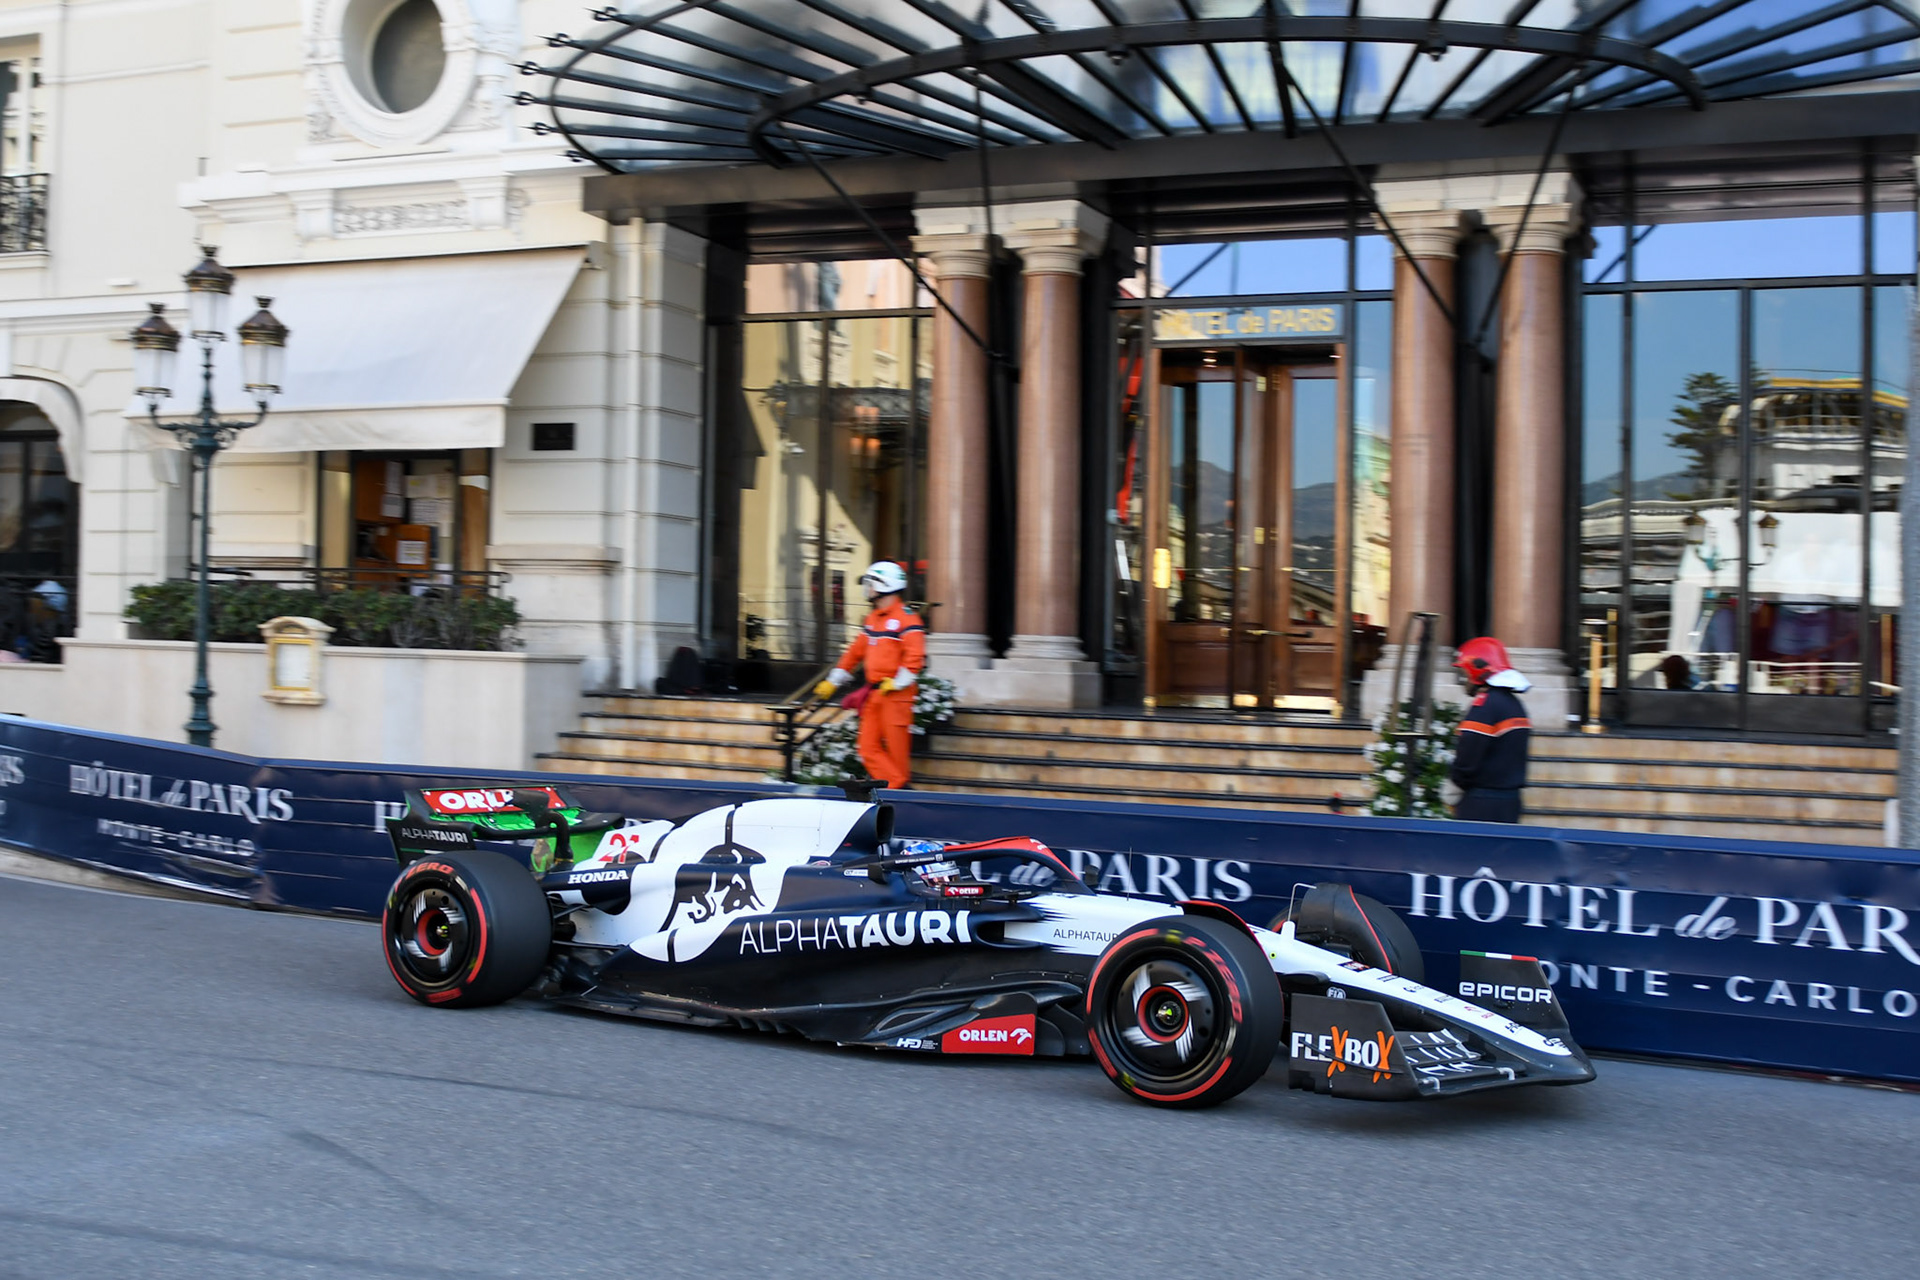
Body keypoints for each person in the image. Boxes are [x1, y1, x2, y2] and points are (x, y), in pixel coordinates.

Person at [814, 561, 926, 789]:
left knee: (897, 755)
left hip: (897, 697)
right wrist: (832, 682)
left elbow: (915, 658)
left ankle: (897, 793)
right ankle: (896, 788)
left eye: (870, 583)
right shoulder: (873, 619)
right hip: (875, 695)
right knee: (866, 748)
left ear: (885, 585)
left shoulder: (908, 619)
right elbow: (854, 653)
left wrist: (896, 683)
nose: (868, 588)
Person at [1445, 636, 1531, 823]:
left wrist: (1453, 785)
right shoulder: (1515, 705)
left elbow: (1468, 755)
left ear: (1477, 669)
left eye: (1465, 672)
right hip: (1510, 801)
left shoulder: (1485, 706)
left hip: (1482, 804)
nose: (1465, 678)